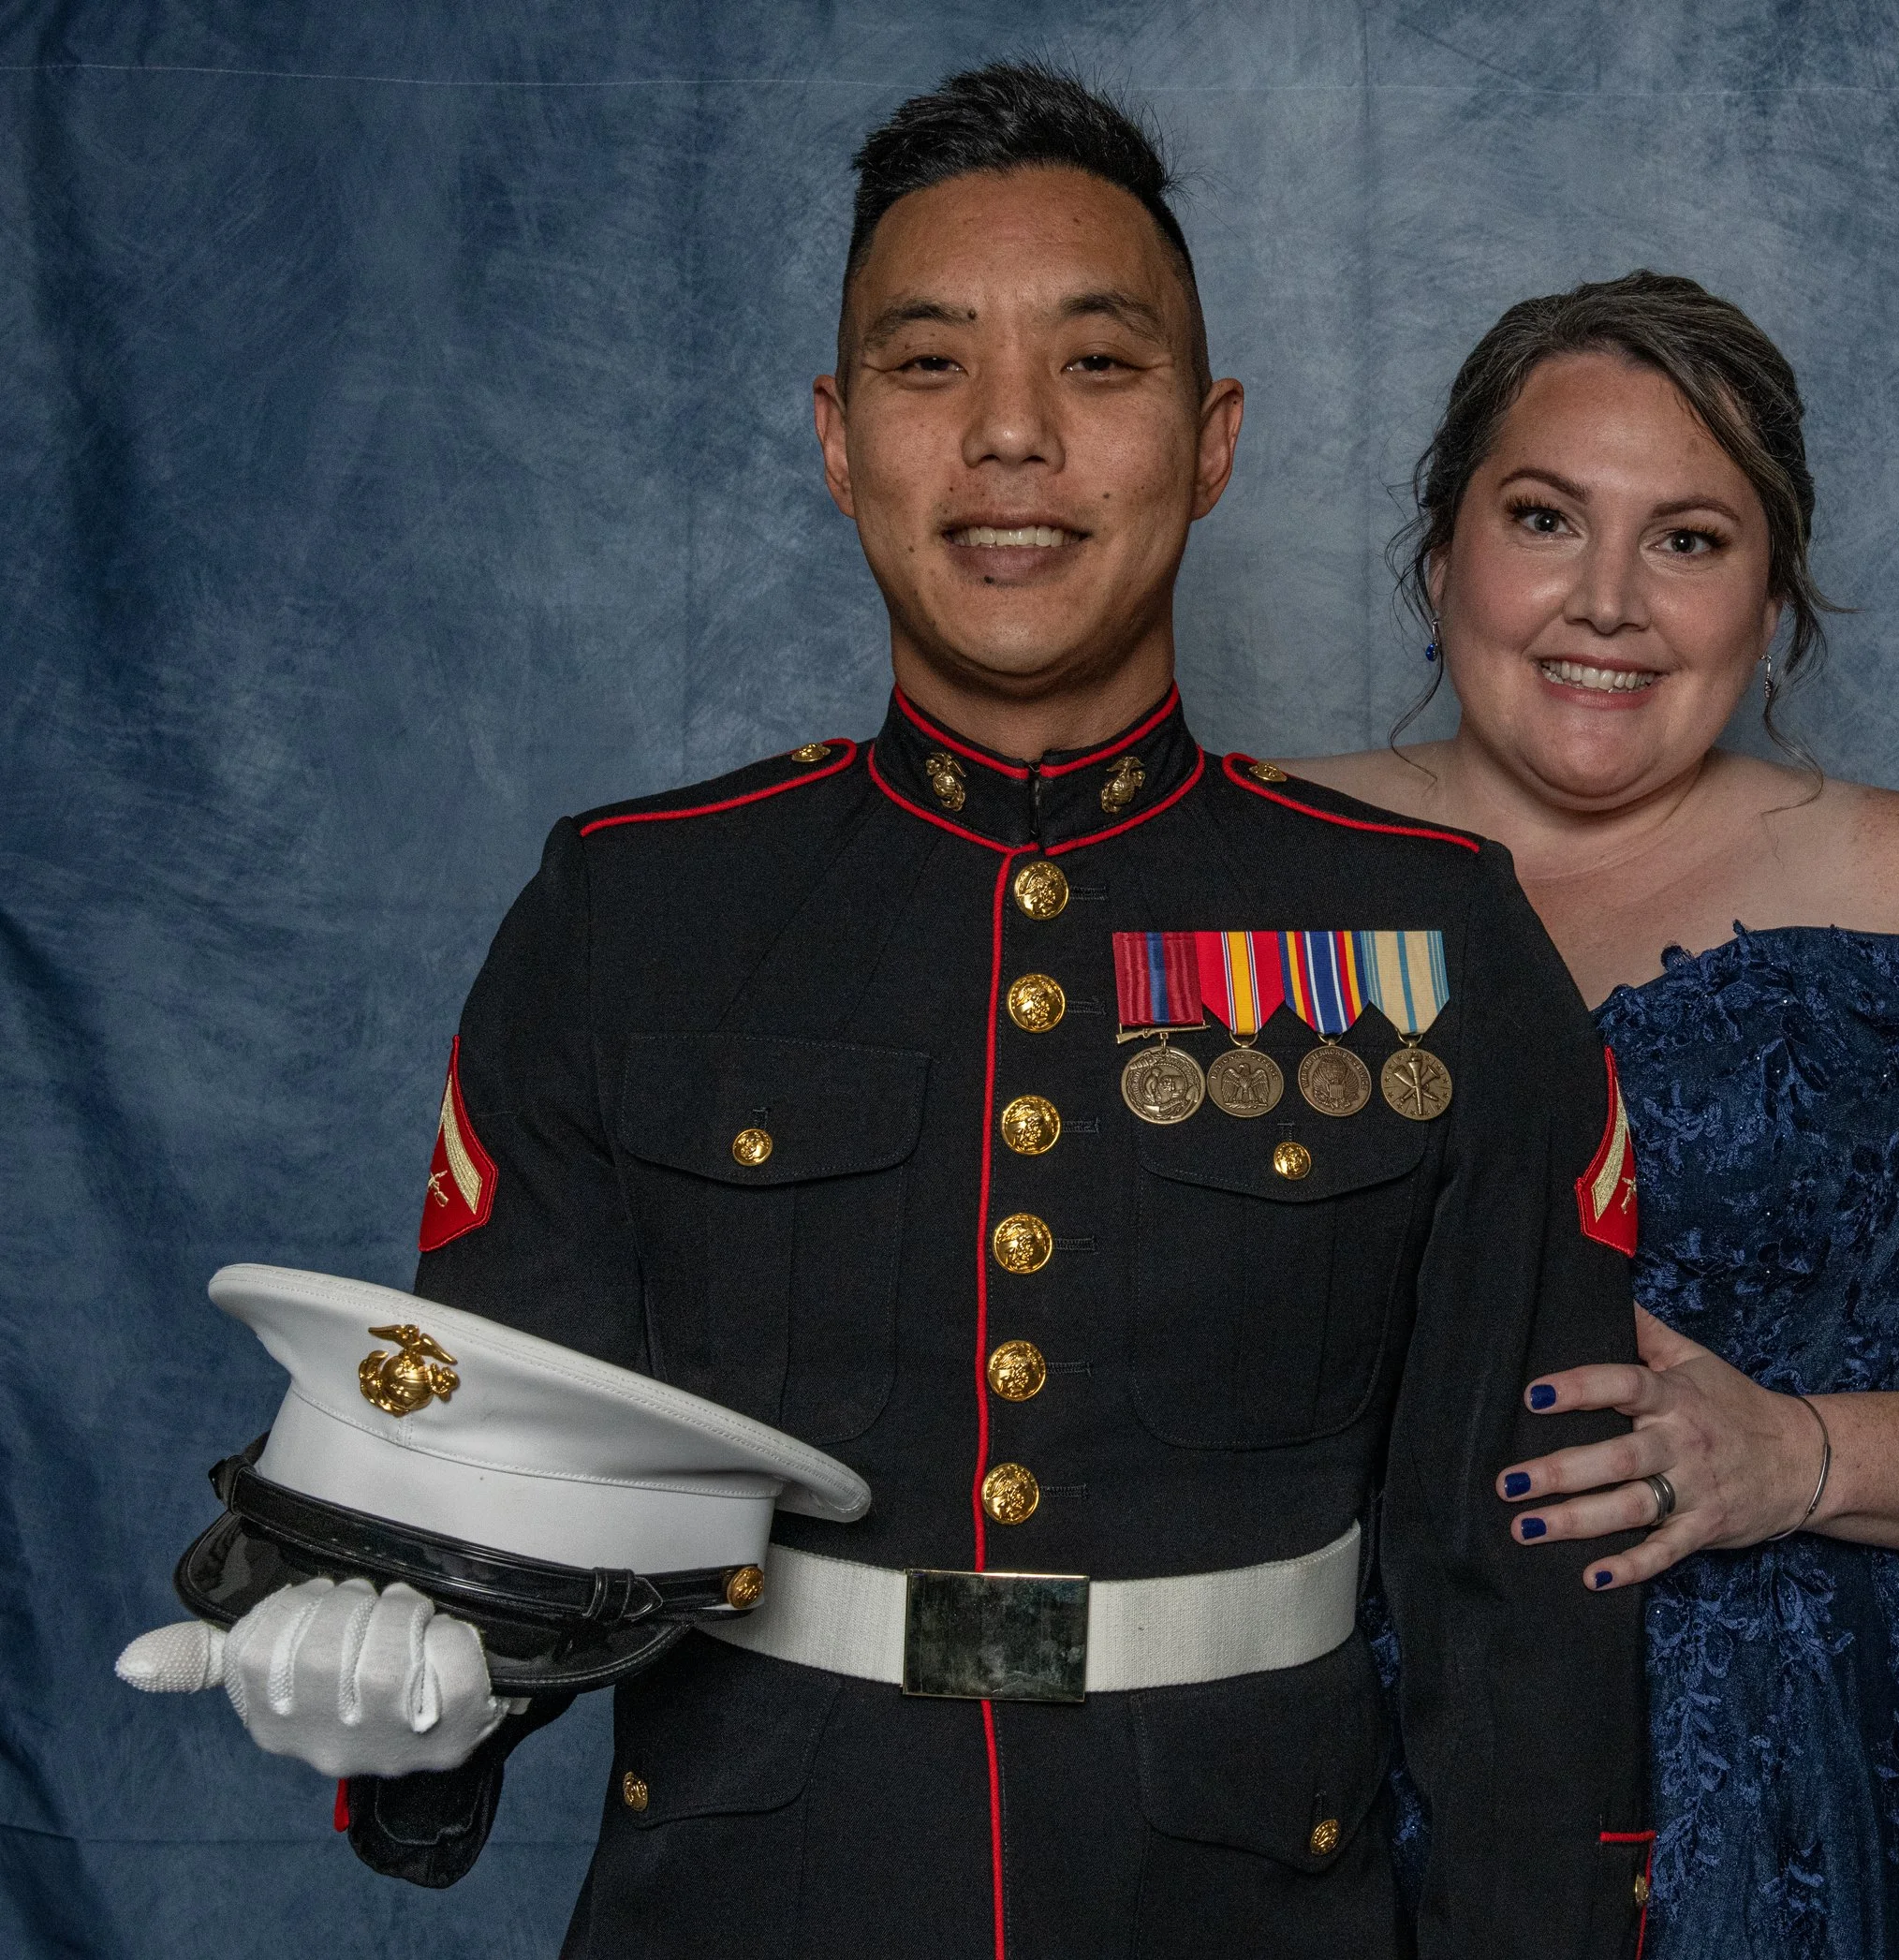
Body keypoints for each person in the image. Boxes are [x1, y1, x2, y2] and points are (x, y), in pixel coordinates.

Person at [133, 68, 1656, 1959]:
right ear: (838, 441)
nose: (1008, 436)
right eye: (928, 367)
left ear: (1210, 438)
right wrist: (408, 1717)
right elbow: (481, 1454)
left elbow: (1517, 1581)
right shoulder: (633, 916)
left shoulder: (1424, 937)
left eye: (1097, 366)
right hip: (750, 1896)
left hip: (1248, 1903)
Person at [1289, 272, 1899, 1958]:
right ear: (1441, 556)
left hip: (1796, 1778)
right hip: (1332, 1757)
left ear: (1771, 608)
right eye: (1545, 516)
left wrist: (1803, 1451)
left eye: (1690, 540)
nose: (1607, 601)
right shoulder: (1259, 857)